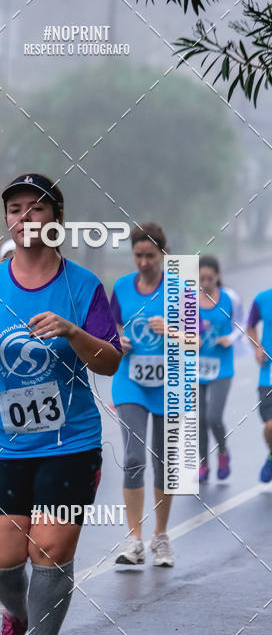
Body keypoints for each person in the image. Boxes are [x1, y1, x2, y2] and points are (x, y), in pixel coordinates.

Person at [0, 173, 122, 635]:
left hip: (70, 440)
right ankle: (16, 613)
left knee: (50, 550)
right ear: (7, 220)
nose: (25, 218)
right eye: (15, 209)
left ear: (56, 219)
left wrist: (72, 331)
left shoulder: (83, 286)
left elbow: (110, 361)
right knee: (0, 561)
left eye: (37, 208)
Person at [109, 223, 175, 567]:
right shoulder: (121, 287)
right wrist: (116, 340)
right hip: (130, 381)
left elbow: (197, 341)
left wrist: (173, 331)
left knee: (165, 461)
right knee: (134, 457)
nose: (144, 262)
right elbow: (109, 328)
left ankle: (160, 537)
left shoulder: (179, 289)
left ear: (162, 254)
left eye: (150, 255)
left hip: (170, 383)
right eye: (138, 255)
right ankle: (134, 539)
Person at [198, 256, 242, 482]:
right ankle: (203, 464)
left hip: (222, 367)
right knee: (199, 420)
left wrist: (229, 338)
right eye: (201, 279)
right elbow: (179, 330)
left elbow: (241, 324)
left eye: (210, 278)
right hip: (196, 368)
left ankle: (223, 453)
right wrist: (193, 335)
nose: (206, 283)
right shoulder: (189, 301)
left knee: (213, 417)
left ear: (217, 276)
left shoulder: (229, 298)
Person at [247, 287, 272, 482]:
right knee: (270, 426)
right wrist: (257, 347)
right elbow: (250, 326)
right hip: (268, 375)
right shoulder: (262, 299)